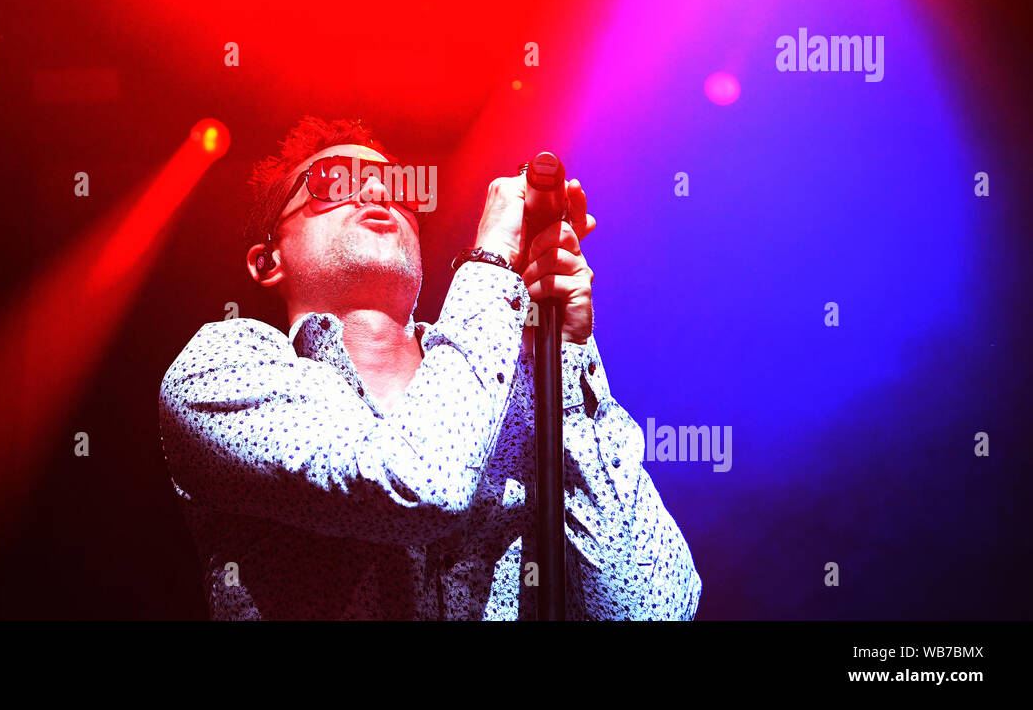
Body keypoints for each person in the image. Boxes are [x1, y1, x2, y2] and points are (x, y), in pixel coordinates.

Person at [158, 115, 702, 619]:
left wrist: (565, 355)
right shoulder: (223, 368)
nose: (376, 191)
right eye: (332, 181)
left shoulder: (510, 385)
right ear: (267, 259)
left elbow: (649, 607)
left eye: (394, 184)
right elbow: (418, 485)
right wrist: (490, 263)